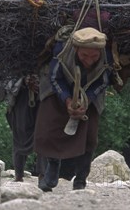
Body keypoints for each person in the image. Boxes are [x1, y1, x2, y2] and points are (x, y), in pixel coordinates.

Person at [34, 16, 117, 192]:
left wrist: (86, 99)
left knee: (90, 137)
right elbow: (55, 77)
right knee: (47, 131)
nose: (89, 60)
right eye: (84, 55)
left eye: (93, 56)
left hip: (91, 94)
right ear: (76, 48)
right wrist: (67, 99)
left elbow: (103, 82)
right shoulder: (63, 49)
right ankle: (51, 167)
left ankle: (80, 180)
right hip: (59, 88)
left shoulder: (105, 56)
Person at [0, 75, 46, 182]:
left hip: (43, 98)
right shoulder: (15, 65)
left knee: (43, 135)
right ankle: (19, 175)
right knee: (19, 137)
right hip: (21, 98)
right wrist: (24, 80)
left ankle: (43, 175)